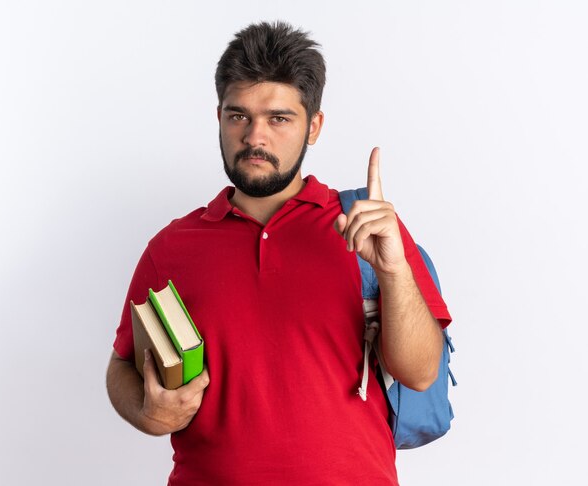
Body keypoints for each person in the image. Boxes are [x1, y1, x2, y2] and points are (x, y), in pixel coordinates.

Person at [106, 21, 452, 485]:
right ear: (220, 119)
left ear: (314, 126)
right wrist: (149, 411)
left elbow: (421, 373)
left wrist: (391, 268)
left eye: (279, 118)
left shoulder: (369, 230)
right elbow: (121, 365)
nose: (255, 137)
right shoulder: (171, 247)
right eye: (238, 116)